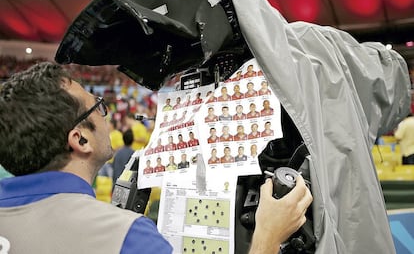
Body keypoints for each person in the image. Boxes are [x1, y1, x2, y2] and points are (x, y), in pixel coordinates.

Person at [0, 63, 312, 254]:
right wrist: (269, 235)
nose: (104, 112)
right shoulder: (125, 236)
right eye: (96, 105)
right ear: (79, 139)